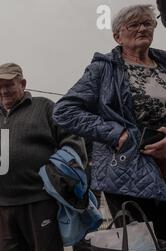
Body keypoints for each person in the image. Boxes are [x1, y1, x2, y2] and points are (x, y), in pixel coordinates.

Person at [53, 4, 166, 239]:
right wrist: (116, 134)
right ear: (117, 35)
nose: (143, 28)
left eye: (148, 23)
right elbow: (64, 111)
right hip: (127, 171)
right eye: (134, 24)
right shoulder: (103, 68)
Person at [0, 63, 87, 251]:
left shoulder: (44, 108)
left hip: (41, 202)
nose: (4, 91)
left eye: (9, 85)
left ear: (23, 83)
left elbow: (73, 143)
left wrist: (56, 175)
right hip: (7, 207)